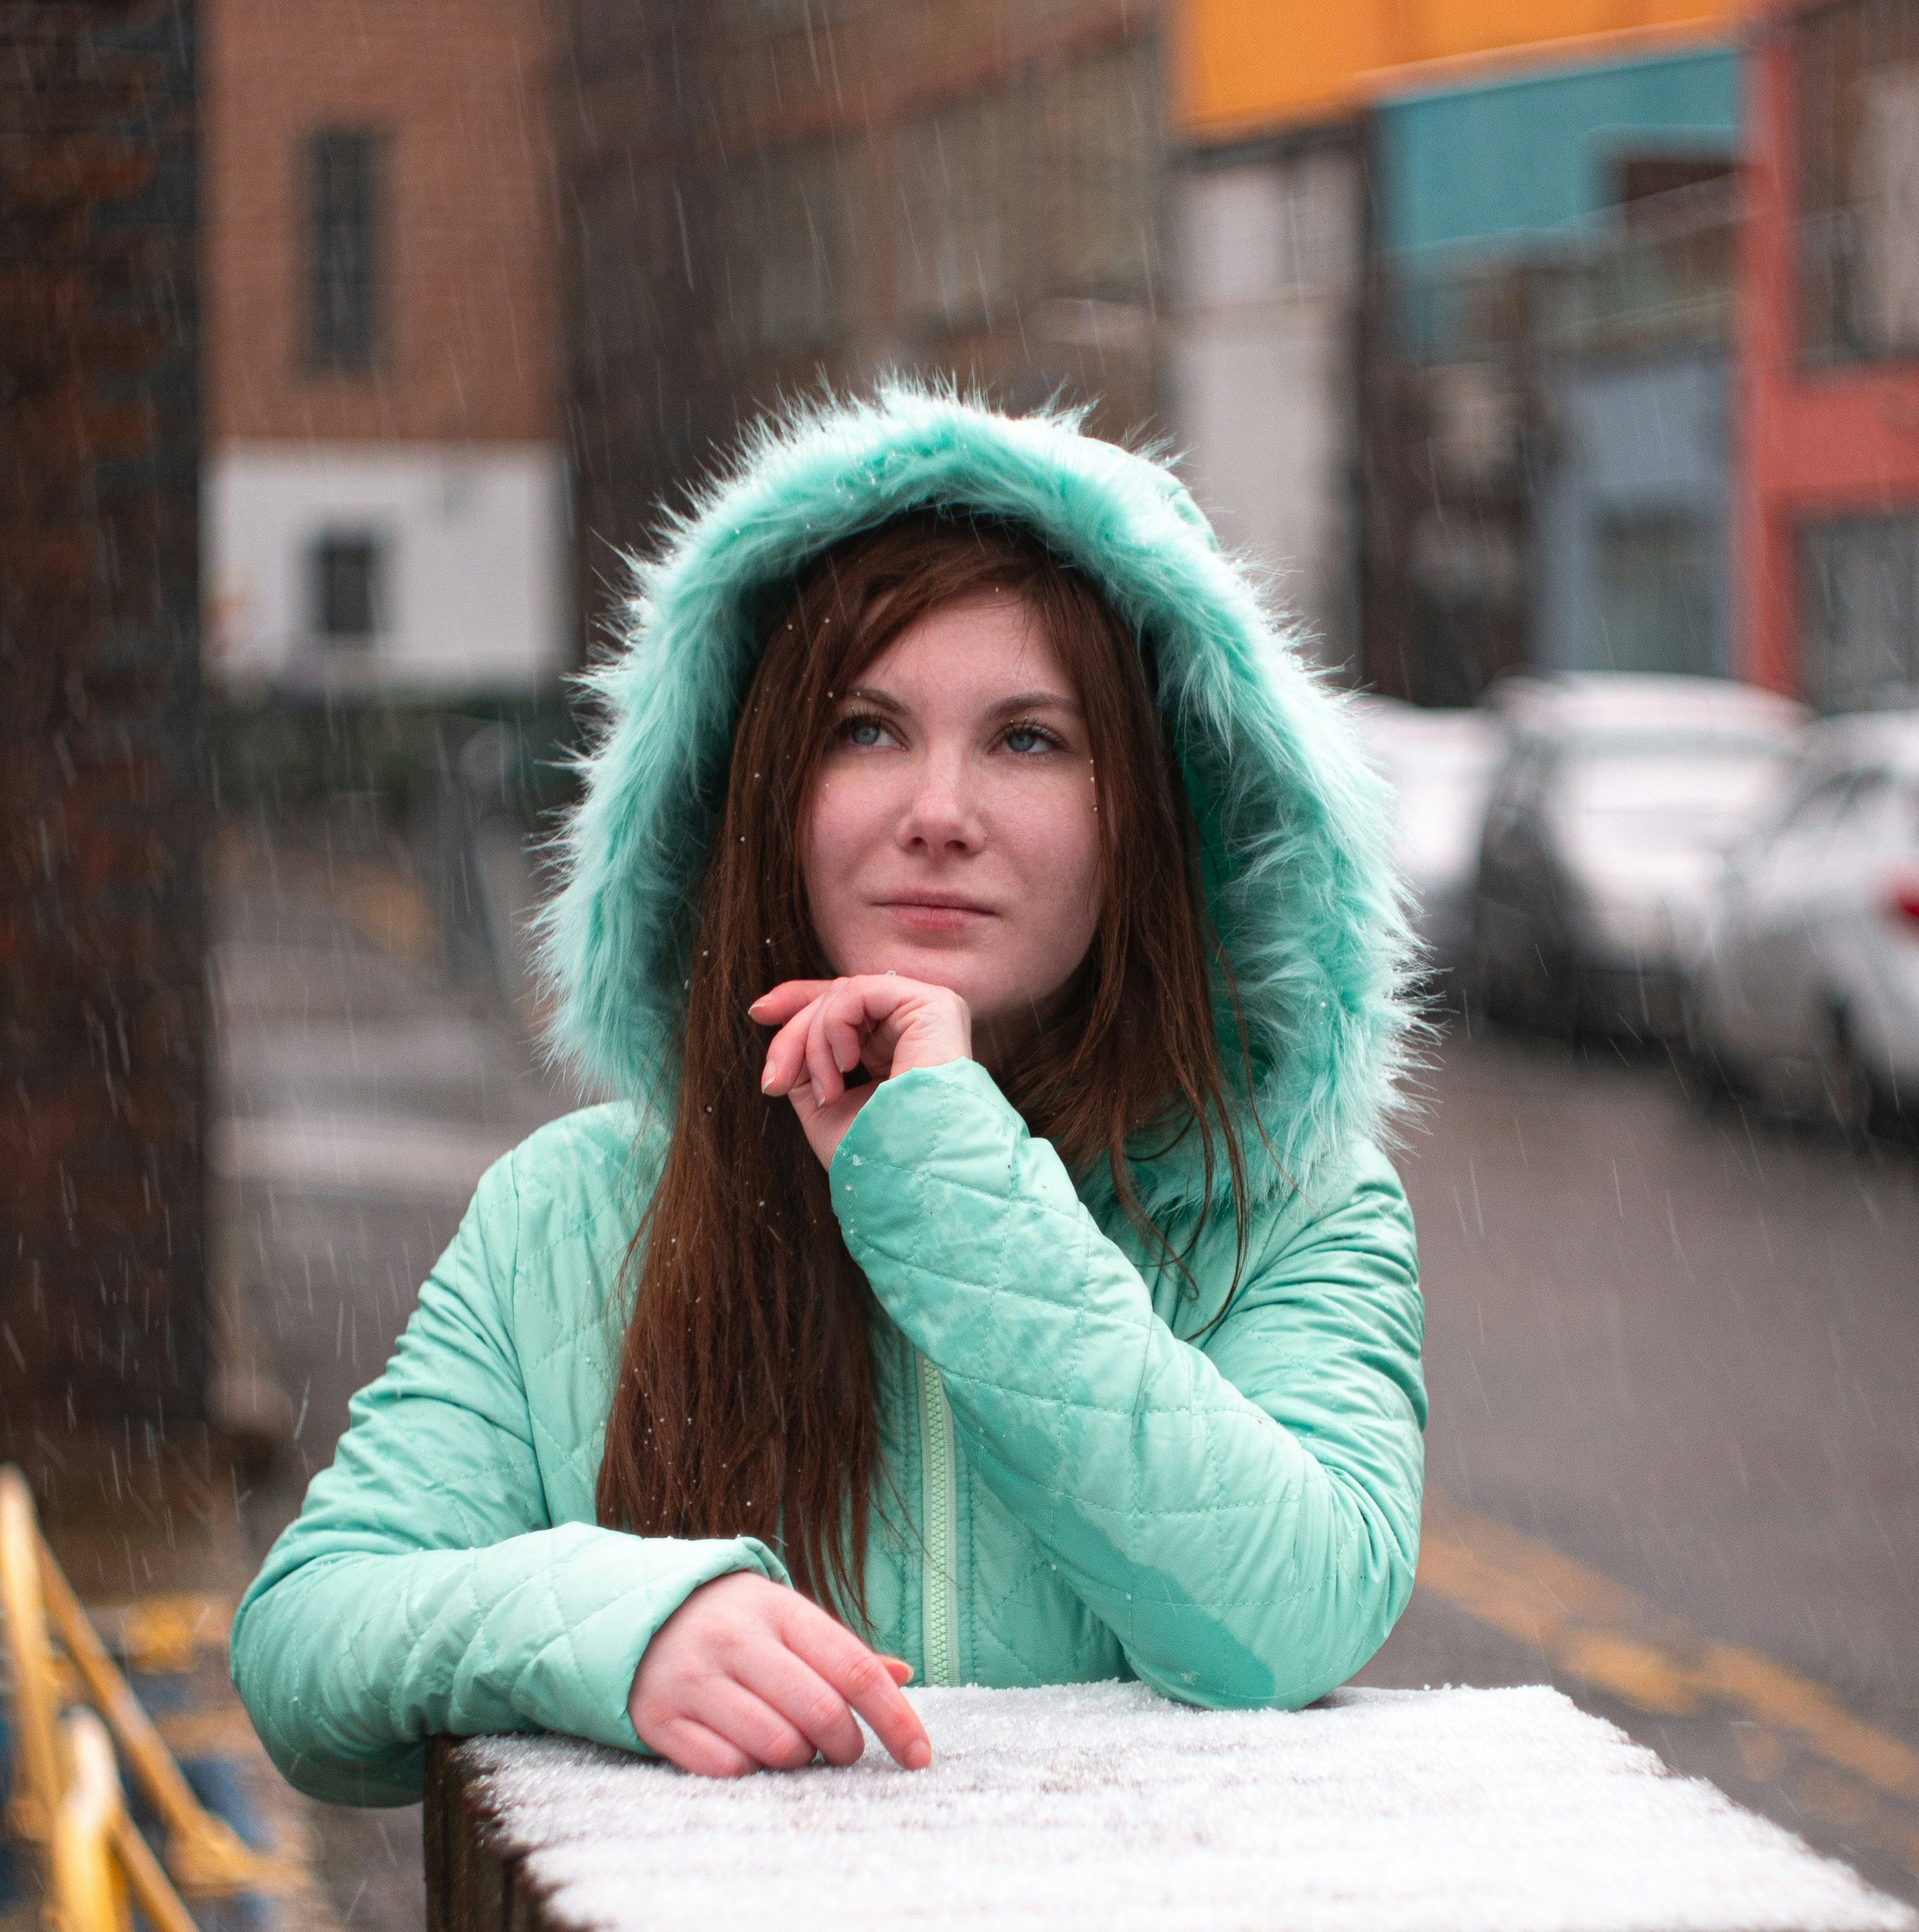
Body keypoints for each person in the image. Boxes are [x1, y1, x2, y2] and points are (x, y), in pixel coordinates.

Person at [231, 389, 1426, 1803]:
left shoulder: (1288, 1206)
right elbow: (307, 1650)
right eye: (865, 729)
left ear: (1149, 826)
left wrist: (942, 1172)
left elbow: (1292, 1613)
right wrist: (617, 1623)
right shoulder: (569, 1211)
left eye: (1028, 739)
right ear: (768, 797)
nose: (938, 807)